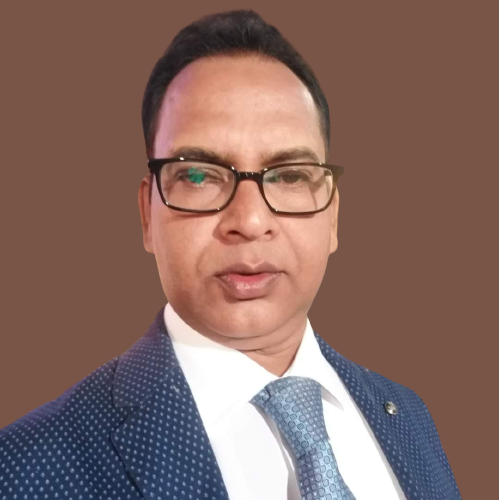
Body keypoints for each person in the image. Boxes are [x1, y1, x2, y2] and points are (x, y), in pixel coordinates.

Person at [0, 9, 461, 500]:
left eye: (289, 175)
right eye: (199, 176)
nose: (250, 220)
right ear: (146, 213)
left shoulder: (408, 416)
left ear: (332, 216)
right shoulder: (28, 468)